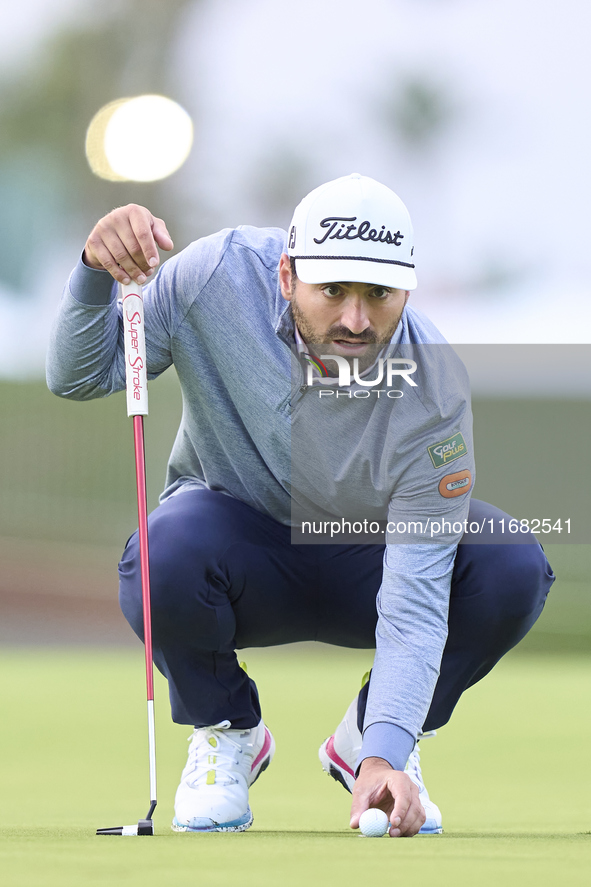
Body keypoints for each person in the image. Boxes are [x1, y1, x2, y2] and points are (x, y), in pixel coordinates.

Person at [47, 173, 554, 837]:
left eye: (378, 294)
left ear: (407, 289)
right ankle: (228, 728)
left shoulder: (433, 390)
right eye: (333, 290)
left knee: (509, 563)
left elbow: (417, 598)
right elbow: (80, 374)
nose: (354, 319)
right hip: (235, 548)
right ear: (286, 275)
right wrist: (92, 273)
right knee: (161, 548)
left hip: (367, 564)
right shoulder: (213, 276)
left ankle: (364, 744)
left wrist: (385, 748)